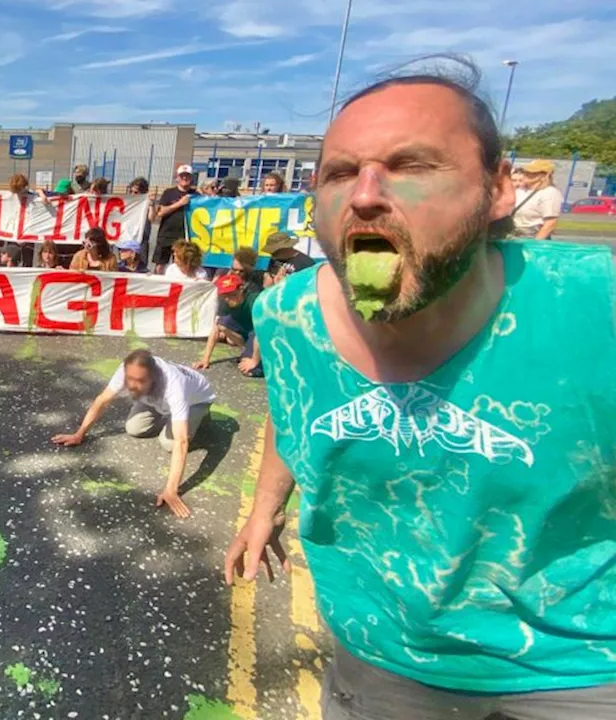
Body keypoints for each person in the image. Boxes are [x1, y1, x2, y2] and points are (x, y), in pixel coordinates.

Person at [224, 63, 616, 719]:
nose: (366, 194)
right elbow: (293, 412)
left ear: (497, 191)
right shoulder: (284, 315)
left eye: (412, 165)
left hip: (579, 664)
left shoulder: (593, 302)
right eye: (340, 173)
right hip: (384, 661)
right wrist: (265, 509)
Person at [51, 349, 215, 519]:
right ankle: (173, 417)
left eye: (140, 380)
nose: (132, 385)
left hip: (196, 401)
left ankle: (197, 418)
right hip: (158, 400)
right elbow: (103, 400)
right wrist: (79, 434)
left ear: (153, 377)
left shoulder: (174, 386)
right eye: (130, 379)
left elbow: (181, 441)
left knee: (169, 443)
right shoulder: (127, 369)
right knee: (134, 428)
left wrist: (171, 490)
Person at [193, 274, 262, 377]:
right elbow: (215, 329)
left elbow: (262, 331)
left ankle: (259, 358)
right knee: (221, 323)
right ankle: (247, 349)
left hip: (260, 330)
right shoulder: (225, 301)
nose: (227, 298)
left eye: (231, 294)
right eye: (224, 295)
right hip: (246, 327)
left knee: (251, 370)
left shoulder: (255, 301)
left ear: (241, 289)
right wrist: (205, 359)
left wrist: (254, 360)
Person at [150, 165, 198, 272]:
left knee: (182, 264)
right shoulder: (169, 193)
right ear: (177, 178)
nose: (184, 178)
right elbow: (161, 212)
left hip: (185, 236)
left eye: (187, 176)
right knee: (160, 265)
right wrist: (179, 204)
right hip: (167, 234)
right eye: (182, 176)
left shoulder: (196, 195)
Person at [512, 159, 564, 239]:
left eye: (532, 172)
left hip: (532, 236)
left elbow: (550, 223)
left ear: (544, 175)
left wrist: (535, 243)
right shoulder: (519, 190)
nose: (526, 174)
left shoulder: (549, 192)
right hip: (514, 234)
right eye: (526, 171)